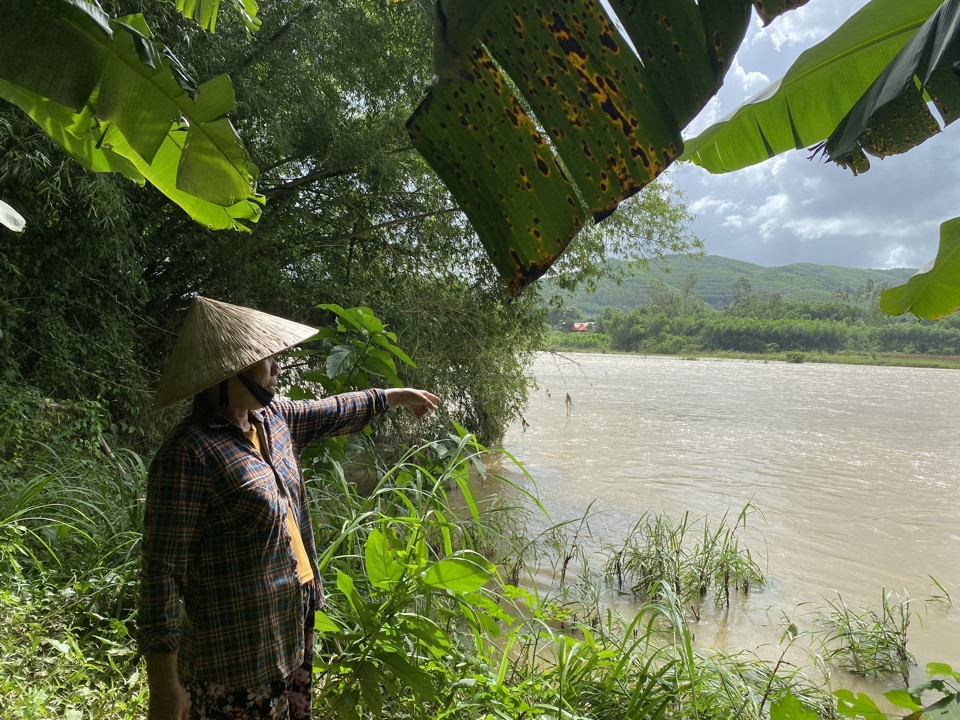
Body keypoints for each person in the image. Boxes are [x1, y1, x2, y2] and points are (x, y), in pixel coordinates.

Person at [139, 296, 439, 720]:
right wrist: (164, 687)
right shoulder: (190, 453)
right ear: (229, 371)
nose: (277, 368)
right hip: (237, 655)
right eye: (267, 360)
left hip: (291, 627)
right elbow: (161, 574)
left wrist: (394, 396)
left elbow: (333, 409)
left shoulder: (271, 418)